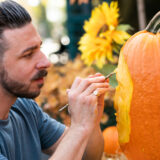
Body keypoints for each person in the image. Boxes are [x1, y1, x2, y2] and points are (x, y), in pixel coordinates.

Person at [0, 0, 109, 160]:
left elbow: (87, 156)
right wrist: (78, 128)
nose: (46, 62)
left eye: (39, 48)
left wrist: (91, 123)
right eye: (28, 54)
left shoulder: (25, 108)